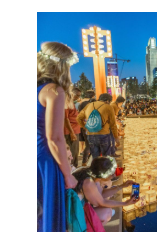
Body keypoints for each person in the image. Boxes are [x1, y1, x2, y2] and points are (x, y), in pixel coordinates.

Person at [38, 42, 79, 232]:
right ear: (62, 66)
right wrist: (68, 174)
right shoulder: (55, 90)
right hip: (47, 158)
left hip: (36, 154)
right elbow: (54, 137)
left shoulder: (37, 88)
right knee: (50, 210)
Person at [72, 156, 142, 225]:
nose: (114, 175)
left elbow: (101, 194)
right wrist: (125, 203)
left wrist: (122, 186)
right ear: (104, 175)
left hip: (78, 208)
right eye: (111, 174)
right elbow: (102, 202)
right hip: (73, 215)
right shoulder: (89, 183)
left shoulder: (90, 172)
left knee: (109, 210)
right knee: (107, 213)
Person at [78, 93, 120, 159]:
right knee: (106, 158)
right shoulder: (108, 107)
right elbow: (113, 125)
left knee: (95, 159)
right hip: (103, 134)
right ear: (108, 101)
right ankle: (105, 169)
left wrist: (84, 127)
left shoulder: (89, 105)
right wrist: (116, 138)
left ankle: (97, 168)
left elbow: (79, 118)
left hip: (90, 134)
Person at [65, 88, 83, 168]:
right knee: (72, 152)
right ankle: (72, 169)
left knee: (75, 151)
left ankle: (74, 167)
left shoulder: (71, 102)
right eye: (77, 95)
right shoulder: (66, 102)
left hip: (74, 129)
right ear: (72, 93)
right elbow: (65, 118)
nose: (78, 97)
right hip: (70, 131)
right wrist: (71, 133)